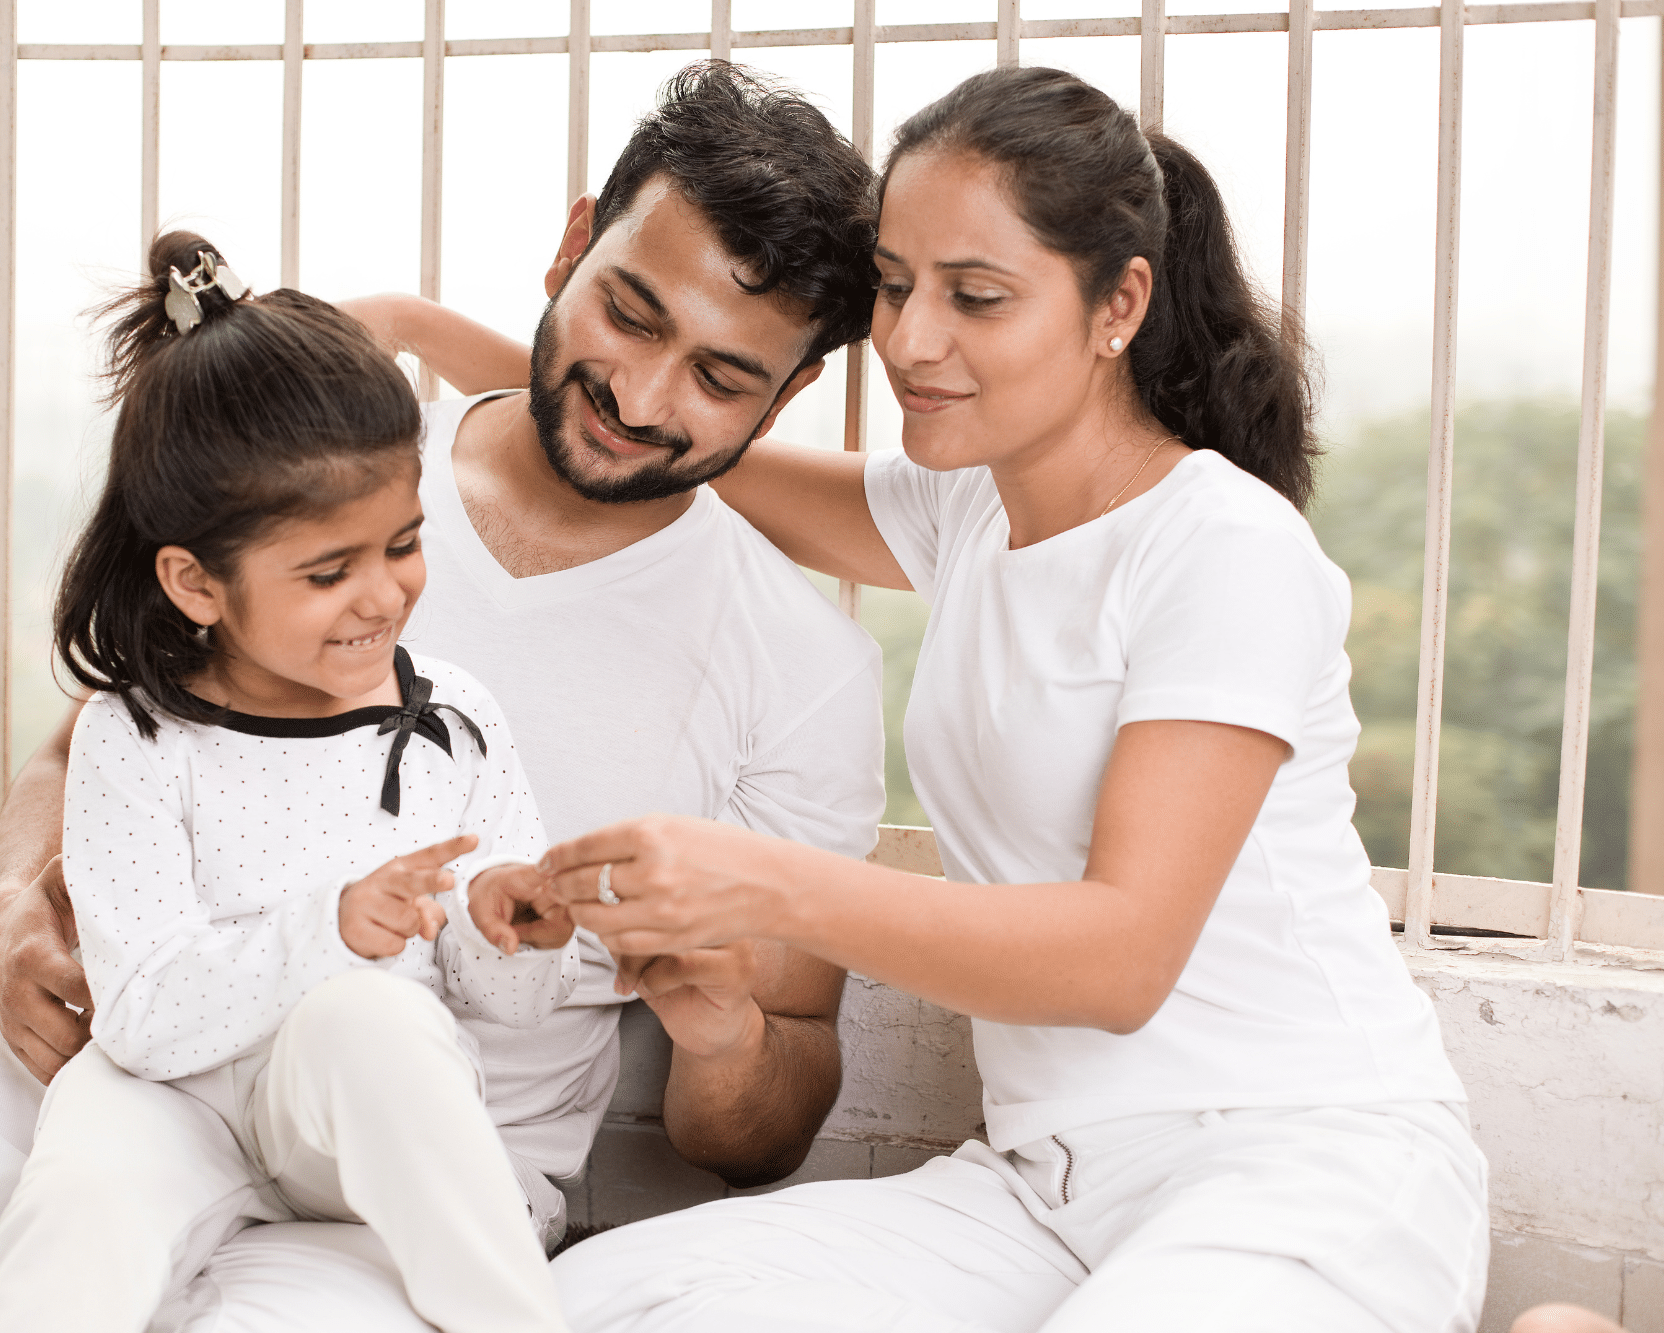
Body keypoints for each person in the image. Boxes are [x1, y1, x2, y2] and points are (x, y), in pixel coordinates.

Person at [0, 63, 885, 1333]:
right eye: (630, 315)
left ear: (791, 394)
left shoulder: (799, 671)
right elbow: (104, 728)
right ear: (571, 245)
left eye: (721, 378)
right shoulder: (334, 457)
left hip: (421, 1176)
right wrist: (11, 899)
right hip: (128, 1068)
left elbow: (770, 1115)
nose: (641, 396)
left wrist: (723, 1026)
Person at [534, 66, 1489, 1331]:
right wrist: (406, 328)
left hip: (1302, 1159)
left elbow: (1119, 957)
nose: (910, 340)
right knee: (594, 1301)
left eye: (973, 297)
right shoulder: (965, 509)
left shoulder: (1221, 545)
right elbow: (689, 431)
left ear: (1119, 305)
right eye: (891, 284)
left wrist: (759, 883)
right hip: (1044, 1185)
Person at [0, 234, 580, 1333]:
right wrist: (334, 926)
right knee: (82, 1180)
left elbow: (510, 1013)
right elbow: (145, 1020)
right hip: (178, 1100)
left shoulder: (453, 720)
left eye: (401, 544)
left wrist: (513, 931)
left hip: (349, 1115)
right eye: (326, 571)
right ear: (195, 582)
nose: (382, 595)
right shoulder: (137, 735)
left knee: (373, 1021)